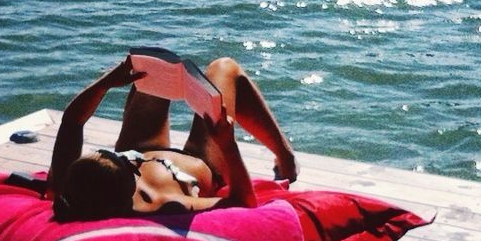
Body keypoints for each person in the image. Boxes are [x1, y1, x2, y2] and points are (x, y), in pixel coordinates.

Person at [49, 56, 297, 222]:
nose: (133, 164)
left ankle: (160, 71)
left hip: (139, 146)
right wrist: (227, 144)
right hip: (200, 162)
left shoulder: (69, 188)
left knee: (153, 69)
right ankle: (285, 157)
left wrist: (107, 83)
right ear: (131, 186)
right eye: (126, 165)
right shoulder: (160, 203)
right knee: (224, 68)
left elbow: (72, 121)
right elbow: (244, 203)